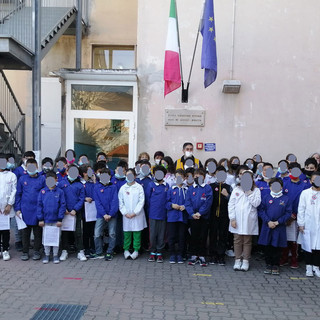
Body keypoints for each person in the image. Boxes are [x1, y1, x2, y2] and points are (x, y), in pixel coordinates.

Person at [228, 169, 261, 271]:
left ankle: (245, 260)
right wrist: (232, 218)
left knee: (247, 241)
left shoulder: (256, 190)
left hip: (249, 220)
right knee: (237, 240)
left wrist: (249, 192)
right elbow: (231, 204)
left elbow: (256, 203)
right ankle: (237, 260)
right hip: (236, 220)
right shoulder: (236, 189)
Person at [258, 178, 292, 275]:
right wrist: (268, 221)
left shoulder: (286, 199)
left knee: (277, 246)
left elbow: (288, 212)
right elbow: (261, 211)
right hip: (267, 225)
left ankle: (275, 264)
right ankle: (268, 263)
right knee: (268, 245)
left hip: (279, 226)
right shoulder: (266, 197)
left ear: (281, 187)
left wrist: (278, 222)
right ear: (270, 187)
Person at [15, 159, 46, 261]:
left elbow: (45, 194)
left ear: (37, 167)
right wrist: (18, 209)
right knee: (25, 233)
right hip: (25, 210)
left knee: (38, 232)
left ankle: (37, 251)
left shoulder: (42, 179)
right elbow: (18, 195)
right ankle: (25, 252)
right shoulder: (22, 179)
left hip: (38, 210)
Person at [280, 162, 309, 268]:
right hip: (285, 216)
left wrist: (294, 216)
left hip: (297, 216)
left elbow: (304, 203)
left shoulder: (305, 185)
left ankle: (294, 259)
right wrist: (286, 215)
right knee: (285, 238)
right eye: (292, 170)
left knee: (294, 239)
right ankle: (284, 258)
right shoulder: (284, 182)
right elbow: (281, 199)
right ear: (289, 171)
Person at [185, 168, 213, 267]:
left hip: (203, 217)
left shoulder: (207, 188)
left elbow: (208, 202)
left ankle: (201, 256)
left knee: (203, 236)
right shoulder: (191, 188)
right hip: (193, 217)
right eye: (196, 176)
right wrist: (192, 214)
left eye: (200, 176)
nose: (197, 178)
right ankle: (193, 255)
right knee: (194, 236)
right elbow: (187, 202)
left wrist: (200, 213)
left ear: (204, 177)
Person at [58, 165, 86, 261]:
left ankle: (80, 251)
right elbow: (59, 197)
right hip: (64, 212)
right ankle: (64, 250)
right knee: (65, 232)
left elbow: (81, 199)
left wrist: (75, 209)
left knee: (78, 232)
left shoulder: (80, 185)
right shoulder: (61, 184)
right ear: (67, 171)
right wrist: (64, 208)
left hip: (76, 212)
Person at [37, 171, 66, 264]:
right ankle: (46, 254)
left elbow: (62, 205)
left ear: (56, 179)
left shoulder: (60, 192)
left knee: (56, 238)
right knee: (46, 238)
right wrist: (40, 219)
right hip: (45, 220)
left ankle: (55, 255)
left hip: (56, 220)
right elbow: (39, 205)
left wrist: (60, 219)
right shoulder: (42, 192)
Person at [119, 168, 147, 260]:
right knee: (127, 233)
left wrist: (135, 212)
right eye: (127, 175)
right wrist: (125, 213)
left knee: (137, 233)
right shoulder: (123, 188)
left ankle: (136, 250)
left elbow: (141, 201)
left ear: (135, 176)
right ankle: (126, 250)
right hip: (126, 215)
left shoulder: (139, 187)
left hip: (137, 215)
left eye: (131, 175)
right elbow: (120, 202)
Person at [93, 168, 119, 261]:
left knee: (112, 233)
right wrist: (104, 214)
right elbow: (97, 202)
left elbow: (115, 201)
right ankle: (99, 252)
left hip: (112, 215)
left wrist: (111, 214)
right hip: (101, 215)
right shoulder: (96, 187)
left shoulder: (113, 187)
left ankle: (109, 252)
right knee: (97, 234)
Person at [298, 172, 320, 277]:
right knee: (308, 246)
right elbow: (301, 209)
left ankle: (316, 266)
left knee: (318, 247)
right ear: (311, 181)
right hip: (308, 224)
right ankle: (308, 267)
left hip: (318, 225)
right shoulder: (305, 193)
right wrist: (301, 223)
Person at [208, 166, 232, 265]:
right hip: (213, 215)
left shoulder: (229, 187)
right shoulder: (211, 186)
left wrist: (227, 195)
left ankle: (221, 255)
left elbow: (233, 201)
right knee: (213, 235)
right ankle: (213, 255)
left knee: (223, 235)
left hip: (224, 215)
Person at [146, 165, 169, 262]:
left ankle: (159, 252)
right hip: (153, 214)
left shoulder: (166, 186)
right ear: (154, 174)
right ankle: (152, 252)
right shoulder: (151, 185)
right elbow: (147, 199)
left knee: (161, 234)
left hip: (163, 214)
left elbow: (168, 199)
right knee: (152, 234)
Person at [166, 169, 188, 264]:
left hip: (183, 218)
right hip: (172, 217)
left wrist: (185, 206)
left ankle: (180, 254)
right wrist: (171, 205)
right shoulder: (171, 189)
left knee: (181, 237)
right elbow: (166, 202)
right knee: (171, 236)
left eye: (181, 177)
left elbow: (190, 202)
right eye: (177, 177)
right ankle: (172, 254)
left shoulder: (187, 190)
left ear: (184, 178)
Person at [0, 154, 17, 261]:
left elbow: (13, 191)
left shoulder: (12, 175)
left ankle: (5, 250)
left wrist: (9, 205)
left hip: (7, 208)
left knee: (6, 230)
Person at [79, 164, 96, 257]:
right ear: (84, 173)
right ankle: (86, 248)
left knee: (93, 230)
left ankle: (93, 247)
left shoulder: (92, 183)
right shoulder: (80, 183)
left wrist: (94, 181)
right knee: (86, 230)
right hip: (84, 210)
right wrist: (85, 198)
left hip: (93, 210)